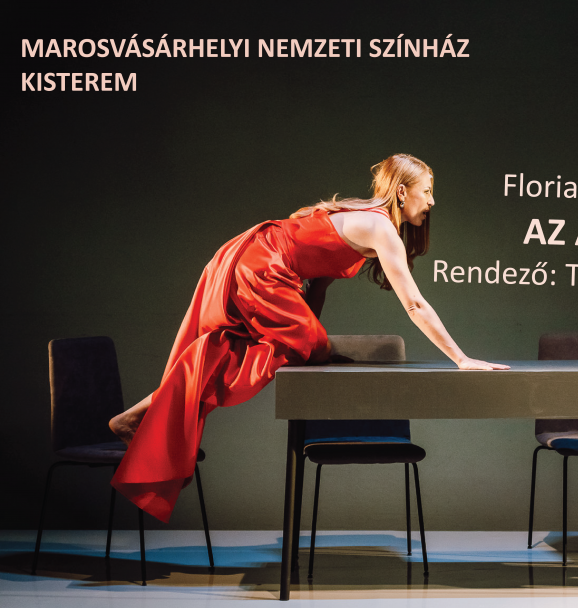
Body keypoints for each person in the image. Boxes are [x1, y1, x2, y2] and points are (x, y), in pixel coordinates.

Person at [109, 153, 508, 523]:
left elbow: (317, 284)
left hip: (253, 257)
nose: (432, 201)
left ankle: (141, 414)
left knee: (259, 348)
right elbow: (415, 304)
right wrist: (461, 358)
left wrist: (305, 344)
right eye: (428, 191)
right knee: (301, 346)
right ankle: (146, 416)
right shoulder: (380, 227)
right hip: (261, 265)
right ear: (402, 192)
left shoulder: (363, 217)